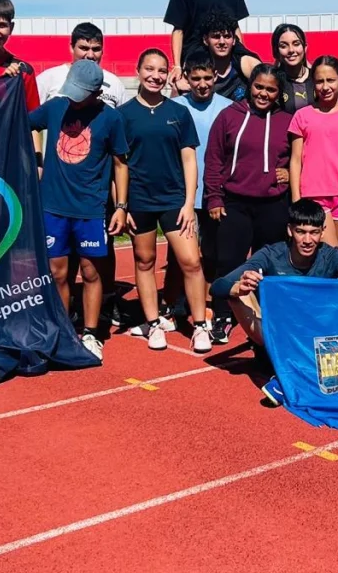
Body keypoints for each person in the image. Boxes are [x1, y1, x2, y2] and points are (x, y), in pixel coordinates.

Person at [210, 198, 338, 405]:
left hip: (317, 337)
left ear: (322, 232)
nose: (307, 240)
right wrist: (238, 287)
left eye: (314, 233)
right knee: (237, 292)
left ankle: (291, 380)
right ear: (289, 230)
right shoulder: (271, 254)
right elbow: (218, 286)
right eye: (300, 232)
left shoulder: (331, 256)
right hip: (277, 337)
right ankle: (290, 376)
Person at [28, 61, 130, 362]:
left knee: (90, 272)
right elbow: (22, 121)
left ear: (97, 92)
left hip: (90, 209)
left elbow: (121, 164)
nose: (74, 98)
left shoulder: (111, 118)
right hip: (52, 206)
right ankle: (63, 329)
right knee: (57, 272)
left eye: (81, 94)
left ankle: (90, 332)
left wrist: (121, 206)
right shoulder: (56, 107)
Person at [118, 50, 211, 353]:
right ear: (138, 71)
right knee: (144, 261)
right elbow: (119, 164)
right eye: (149, 69)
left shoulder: (179, 112)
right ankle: (153, 323)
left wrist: (188, 202)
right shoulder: (125, 114)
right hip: (140, 201)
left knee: (191, 261)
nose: (155, 76)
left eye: (161, 70)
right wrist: (122, 204)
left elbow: (189, 158)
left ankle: (199, 326)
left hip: (174, 200)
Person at [205, 64, 293, 345]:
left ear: (279, 93)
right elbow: (214, 159)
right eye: (259, 87)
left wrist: (290, 172)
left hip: (273, 204)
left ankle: (266, 316)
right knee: (228, 262)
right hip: (235, 203)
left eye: (271, 89)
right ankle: (222, 316)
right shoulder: (229, 115)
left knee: (269, 266)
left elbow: (300, 156)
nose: (263, 94)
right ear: (250, 85)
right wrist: (214, 197)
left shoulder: (287, 120)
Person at [167, 51, 235, 318]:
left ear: (215, 76)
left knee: (212, 253)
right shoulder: (176, 107)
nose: (203, 84)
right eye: (196, 78)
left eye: (208, 77)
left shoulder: (229, 107)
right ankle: (174, 302)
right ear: (187, 78)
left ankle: (206, 302)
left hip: (216, 194)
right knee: (180, 256)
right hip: (182, 197)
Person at [289, 56, 338, 250]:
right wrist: (296, 199)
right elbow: (296, 160)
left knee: (336, 252)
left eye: (330, 80)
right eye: (319, 81)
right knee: (315, 251)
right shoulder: (302, 116)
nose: (325, 86)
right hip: (311, 195)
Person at [35, 22, 128, 108]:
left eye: (96, 49)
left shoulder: (114, 83)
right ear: (72, 48)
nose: (90, 55)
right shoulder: (48, 79)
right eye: (84, 48)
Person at [200, 10, 260, 102]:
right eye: (216, 37)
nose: (222, 42)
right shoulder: (197, 70)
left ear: (234, 40)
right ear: (205, 40)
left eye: (227, 36)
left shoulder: (246, 65)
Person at [272, 23, 314, 113]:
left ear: (305, 47)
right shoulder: (272, 80)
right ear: (276, 51)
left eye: (296, 44)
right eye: (283, 46)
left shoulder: (316, 78)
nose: (291, 50)